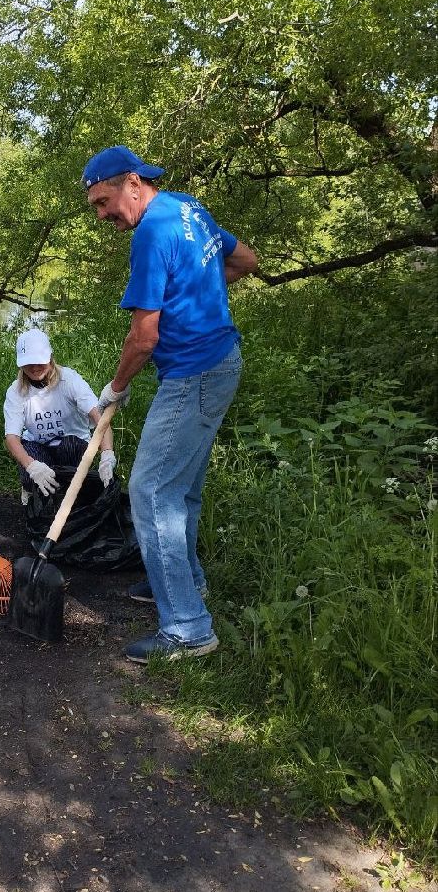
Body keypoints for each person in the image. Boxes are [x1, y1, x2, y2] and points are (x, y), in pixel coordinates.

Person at [83, 145, 258, 663]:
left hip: (193, 374)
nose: (103, 214)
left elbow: (143, 336)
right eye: (95, 206)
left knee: (151, 489)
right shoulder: (187, 207)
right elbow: (245, 260)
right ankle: (185, 581)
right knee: (182, 487)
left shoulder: (153, 232)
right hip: (222, 360)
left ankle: (186, 626)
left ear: (132, 183)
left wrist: (115, 387)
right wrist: (195, 290)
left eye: (104, 200)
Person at [3, 327, 116, 502]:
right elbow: (12, 439)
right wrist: (31, 466)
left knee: (70, 447)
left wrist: (107, 454)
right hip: (40, 445)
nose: (34, 368)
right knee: (29, 472)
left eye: (39, 361)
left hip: (72, 444)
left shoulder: (69, 380)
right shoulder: (16, 391)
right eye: (29, 363)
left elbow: (100, 420)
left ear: (50, 357)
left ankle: (68, 492)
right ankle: (32, 491)